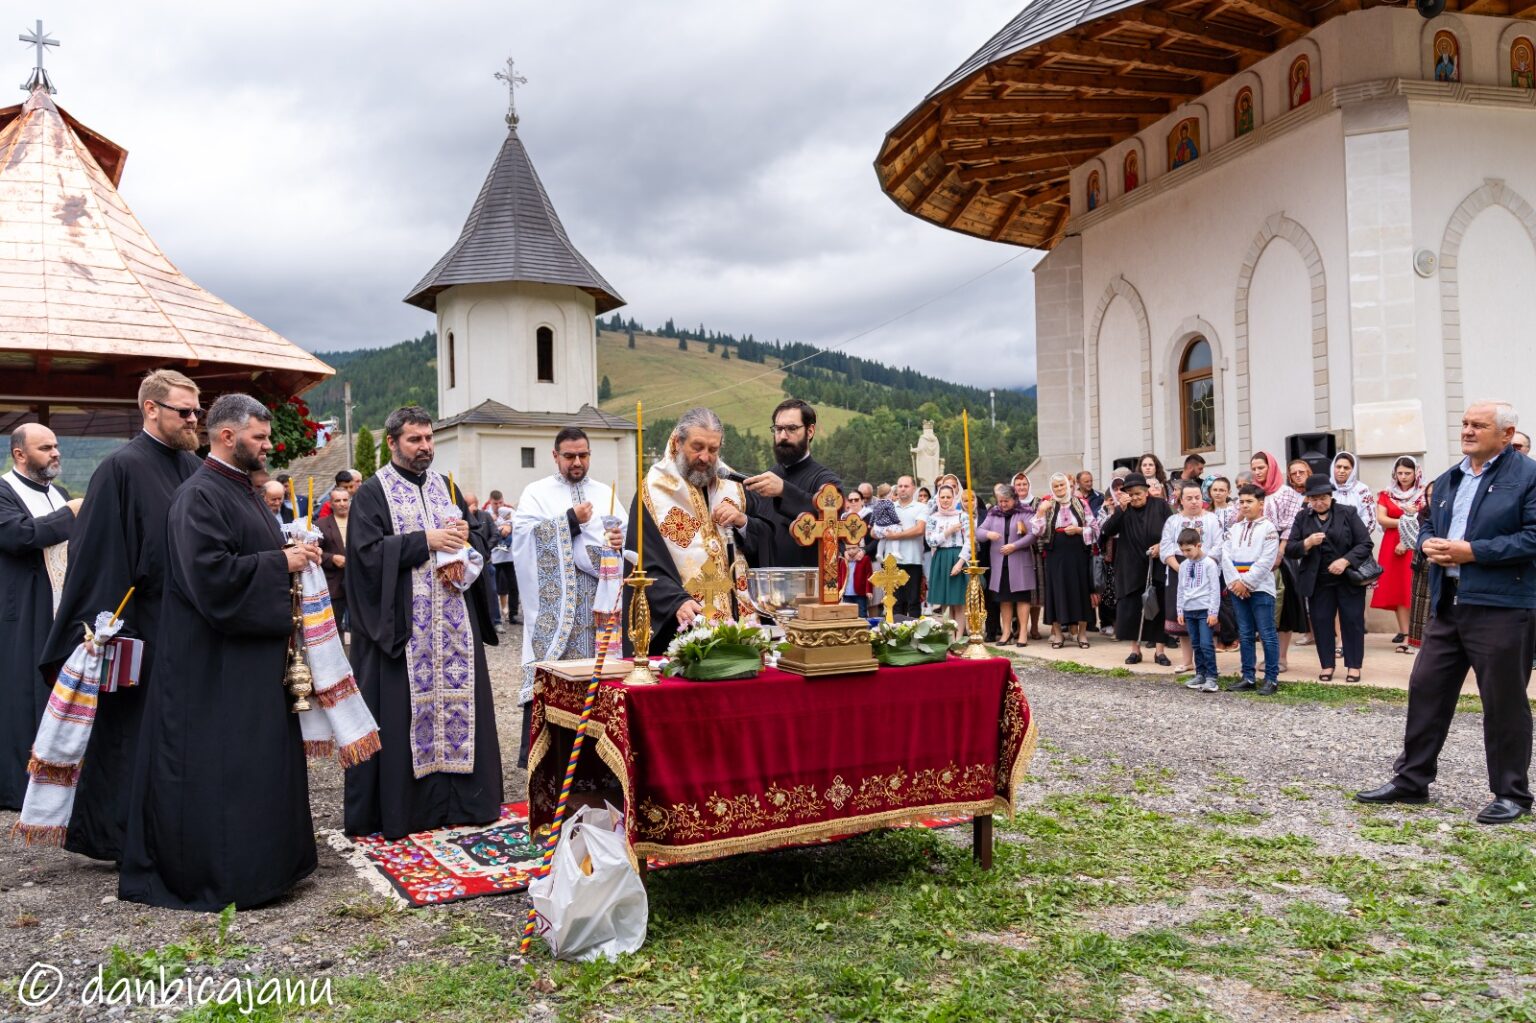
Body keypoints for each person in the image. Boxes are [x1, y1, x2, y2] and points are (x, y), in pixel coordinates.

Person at [118, 394, 321, 910]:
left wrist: (288, 556)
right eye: (260, 437)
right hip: (212, 667)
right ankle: (230, 874)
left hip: (248, 658)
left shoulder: (242, 490)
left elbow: (249, 554)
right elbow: (212, 577)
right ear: (228, 436)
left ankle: (271, 864)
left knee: (260, 762)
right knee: (226, 769)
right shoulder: (199, 497)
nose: (269, 445)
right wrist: (283, 562)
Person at [37, 370, 203, 863]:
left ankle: (175, 826)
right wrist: (106, 627)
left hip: (188, 622)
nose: (194, 419)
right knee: (130, 734)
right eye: (184, 411)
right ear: (151, 409)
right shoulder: (120, 469)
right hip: (138, 627)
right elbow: (98, 555)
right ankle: (118, 834)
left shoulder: (194, 466)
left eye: (198, 411)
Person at [1357, 400, 1536, 825]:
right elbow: (1426, 521)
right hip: (1449, 602)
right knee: (1426, 688)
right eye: (1465, 424)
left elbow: (1532, 537)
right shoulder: (1451, 477)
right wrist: (1427, 544)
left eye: (1479, 425)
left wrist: (1473, 552)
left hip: (1502, 606)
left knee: (1504, 700)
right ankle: (1411, 780)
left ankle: (1511, 793)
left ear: (1507, 435)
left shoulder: (1527, 477)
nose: (1468, 431)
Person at [343, 406, 503, 840]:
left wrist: (467, 543)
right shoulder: (373, 493)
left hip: (453, 624)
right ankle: (407, 811)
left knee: (461, 707)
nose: (425, 447)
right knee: (403, 716)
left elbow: (478, 534)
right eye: (415, 440)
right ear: (393, 443)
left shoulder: (444, 486)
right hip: (405, 630)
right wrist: (424, 542)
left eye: (429, 438)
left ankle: (464, 803)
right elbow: (365, 556)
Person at [512, 426, 626, 768]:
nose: (577, 462)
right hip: (556, 610)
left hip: (596, 610)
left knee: (599, 684)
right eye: (569, 456)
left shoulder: (606, 492)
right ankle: (551, 765)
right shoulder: (536, 493)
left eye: (583, 455)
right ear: (555, 456)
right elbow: (523, 540)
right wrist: (568, 522)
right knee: (554, 686)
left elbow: (619, 544)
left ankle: (599, 763)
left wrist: (618, 543)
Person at [624, 408, 750, 654]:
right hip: (681, 625)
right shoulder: (653, 494)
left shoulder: (733, 488)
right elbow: (642, 563)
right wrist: (676, 601)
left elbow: (761, 542)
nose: (705, 457)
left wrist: (743, 521)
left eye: (713, 450)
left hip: (737, 625)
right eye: (697, 447)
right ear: (678, 442)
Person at [0, 424, 79, 809]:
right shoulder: (2, 492)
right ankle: (19, 789)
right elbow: (18, 536)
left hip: (60, 612)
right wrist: (69, 514)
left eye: (57, 445)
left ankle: (58, 780)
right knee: (20, 698)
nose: (55, 453)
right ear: (19, 454)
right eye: (46, 447)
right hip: (21, 614)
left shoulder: (58, 494)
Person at [1286, 473, 1374, 683]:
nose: (1319, 502)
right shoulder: (1302, 517)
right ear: (1307, 499)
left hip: (1348, 579)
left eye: (1323, 497)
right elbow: (1290, 548)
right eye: (1314, 499)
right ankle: (1327, 665)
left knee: (1352, 622)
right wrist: (1307, 543)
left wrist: (1345, 561)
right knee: (1321, 621)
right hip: (1318, 581)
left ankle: (1354, 666)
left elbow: (1365, 543)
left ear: (1330, 496)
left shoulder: (1348, 513)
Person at [741, 399, 841, 568]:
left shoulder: (826, 481)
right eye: (778, 429)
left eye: (792, 428)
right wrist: (741, 521)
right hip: (764, 587)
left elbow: (829, 521)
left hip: (809, 588)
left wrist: (783, 491)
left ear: (810, 431)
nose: (783, 436)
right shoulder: (763, 481)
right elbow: (753, 537)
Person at [1101, 473, 1173, 665]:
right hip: (1130, 565)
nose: (1135, 497)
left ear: (1146, 492)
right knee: (1133, 609)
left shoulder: (1161, 506)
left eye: (1138, 493)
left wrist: (1162, 546)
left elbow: (1172, 531)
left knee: (1157, 607)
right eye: (1130, 494)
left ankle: (1160, 651)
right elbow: (1107, 531)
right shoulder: (1123, 509)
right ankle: (1135, 650)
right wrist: (1120, 511)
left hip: (1156, 563)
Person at [1160, 479, 1225, 673]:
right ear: (1181, 499)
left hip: (1208, 569)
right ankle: (1188, 661)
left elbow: (1219, 546)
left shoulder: (1212, 519)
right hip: (1179, 569)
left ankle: (1208, 663)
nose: (1194, 502)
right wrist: (1181, 569)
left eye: (1197, 497)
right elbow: (1165, 549)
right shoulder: (1173, 521)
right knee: (1185, 619)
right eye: (1189, 498)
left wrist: (1205, 565)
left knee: (1208, 617)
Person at [1222, 484, 1281, 694]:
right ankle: (1248, 676)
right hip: (1237, 588)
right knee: (1245, 633)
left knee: (1267, 633)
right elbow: (1225, 556)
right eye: (1242, 502)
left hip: (1260, 588)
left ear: (1261, 504)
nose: (1245, 506)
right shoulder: (1235, 529)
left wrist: (1245, 583)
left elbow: (1266, 561)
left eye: (1250, 501)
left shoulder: (1269, 529)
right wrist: (1235, 584)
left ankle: (1271, 678)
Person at [1257, 453, 1311, 669]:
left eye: (1261, 467)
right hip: (1257, 555)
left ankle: (1281, 657)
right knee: (1261, 607)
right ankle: (1266, 656)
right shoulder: (1254, 491)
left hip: (1282, 555)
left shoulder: (1285, 493)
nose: (1258, 471)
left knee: (1283, 607)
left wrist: (1279, 553)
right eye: (1254, 468)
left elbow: (1290, 525)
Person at [1033, 472, 1099, 648]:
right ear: (1051, 488)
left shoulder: (1081, 503)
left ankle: (1082, 634)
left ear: (1068, 486)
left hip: (1078, 553)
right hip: (1055, 553)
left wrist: (1078, 530)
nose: (1059, 488)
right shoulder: (1046, 505)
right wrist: (1040, 512)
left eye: (1062, 485)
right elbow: (1037, 532)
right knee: (1056, 591)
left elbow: (1095, 529)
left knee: (1080, 590)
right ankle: (1058, 635)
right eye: (1056, 486)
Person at [1373, 456, 1424, 652]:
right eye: (1400, 473)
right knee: (1397, 588)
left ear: (1416, 473)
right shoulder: (1386, 494)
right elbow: (1382, 519)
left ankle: (1419, 634)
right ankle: (1405, 634)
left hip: (1414, 543)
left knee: (1413, 587)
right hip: (1391, 544)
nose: (1403, 477)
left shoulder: (1422, 493)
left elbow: (1425, 520)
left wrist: (1406, 524)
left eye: (1407, 473)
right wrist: (1407, 518)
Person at [979, 483, 1037, 646]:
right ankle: (1006, 633)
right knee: (1004, 600)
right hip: (1000, 565)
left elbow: (1033, 535)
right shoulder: (993, 513)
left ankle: (1023, 633)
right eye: (1000, 501)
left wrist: (1015, 546)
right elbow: (979, 532)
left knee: (1022, 599)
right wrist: (988, 533)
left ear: (1014, 499)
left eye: (1006, 501)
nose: (1003, 504)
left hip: (1019, 563)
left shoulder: (1025, 512)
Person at [873, 475, 927, 619]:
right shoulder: (889, 506)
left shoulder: (921, 507)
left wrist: (896, 536)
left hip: (912, 560)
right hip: (891, 562)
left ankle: (914, 637)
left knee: (913, 601)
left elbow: (919, 529)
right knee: (894, 602)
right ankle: (895, 636)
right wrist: (882, 531)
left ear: (913, 488)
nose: (902, 489)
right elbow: (873, 532)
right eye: (900, 486)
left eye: (906, 486)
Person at [1175, 528, 1221, 693]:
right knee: (1195, 643)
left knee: (1206, 643)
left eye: (1189, 550)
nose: (1186, 553)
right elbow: (1180, 588)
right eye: (1182, 551)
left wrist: (1213, 612)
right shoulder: (1183, 566)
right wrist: (1180, 610)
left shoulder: (1209, 563)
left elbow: (1215, 589)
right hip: (1189, 609)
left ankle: (1212, 677)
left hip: (1204, 610)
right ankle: (1200, 674)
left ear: (1198, 545)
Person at [924, 482, 970, 632]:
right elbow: (930, 541)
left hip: (957, 557)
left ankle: (959, 637)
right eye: (942, 497)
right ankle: (948, 637)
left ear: (954, 498)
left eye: (948, 497)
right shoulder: (932, 518)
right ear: (938, 498)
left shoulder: (963, 516)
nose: (945, 500)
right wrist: (948, 531)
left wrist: (960, 563)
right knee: (945, 602)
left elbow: (970, 541)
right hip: (941, 558)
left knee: (958, 602)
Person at [1207, 476, 1239, 651]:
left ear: (1228, 492)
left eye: (1222, 490)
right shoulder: (1206, 513)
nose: (1218, 493)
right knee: (1215, 599)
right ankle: (1222, 637)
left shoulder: (1234, 511)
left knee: (1228, 600)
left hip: (1230, 560)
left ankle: (1231, 637)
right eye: (1215, 490)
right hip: (1211, 561)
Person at [1012, 472, 1046, 639]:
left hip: (1035, 550)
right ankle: (1020, 627)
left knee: (1036, 590)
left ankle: (1034, 627)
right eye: (1018, 484)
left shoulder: (1038, 502)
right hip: (1017, 550)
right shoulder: (1012, 504)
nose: (1021, 487)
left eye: (1024, 484)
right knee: (1021, 591)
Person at [317, 484, 352, 635]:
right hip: (334, 583)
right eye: (338, 501)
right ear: (330, 504)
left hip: (358, 581)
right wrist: (331, 558)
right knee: (333, 629)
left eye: (345, 500)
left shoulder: (361, 522)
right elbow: (314, 552)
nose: (342, 504)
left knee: (361, 627)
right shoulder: (321, 525)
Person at [485, 490, 519, 625]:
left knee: (513, 587)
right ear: (490, 502)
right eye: (495, 503)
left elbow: (518, 525)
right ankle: (495, 618)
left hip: (510, 556)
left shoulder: (509, 511)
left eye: (500, 502)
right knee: (495, 589)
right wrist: (500, 528)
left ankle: (513, 615)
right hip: (494, 556)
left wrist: (510, 527)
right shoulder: (486, 514)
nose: (498, 505)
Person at [1407, 481, 1434, 649]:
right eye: (1430, 495)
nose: (1433, 498)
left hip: (1445, 566)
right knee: (1421, 611)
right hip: (1423, 567)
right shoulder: (1421, 515)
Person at [1330, 451, 1377, 536]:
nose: (1341, 471)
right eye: (1338, 467)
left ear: (1353, 470)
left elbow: (1370, 519)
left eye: (1346, 468)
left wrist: (1357, 540)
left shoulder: (1362, 489)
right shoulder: (1326, 488)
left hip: (1355, 542)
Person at [837, 541, 872, 618]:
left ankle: (863, 629)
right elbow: (840, 576)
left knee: (862, 613)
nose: (851, 551)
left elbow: (869, 575)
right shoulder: (843, 560)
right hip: (847, 594)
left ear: (859, 547)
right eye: (848, 549)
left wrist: (868, 590)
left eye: (854, 548)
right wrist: (838, 591)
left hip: (860, 593)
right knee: (848, 615)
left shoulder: (865, 559)